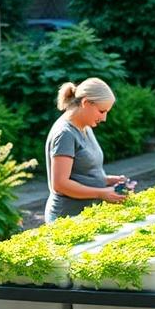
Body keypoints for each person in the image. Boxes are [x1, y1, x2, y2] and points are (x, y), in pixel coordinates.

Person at [44, 78, 128, 222]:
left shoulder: (85, 127)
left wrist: (106, 180)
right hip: (66, 219)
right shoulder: (65, 134)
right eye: (102, 111)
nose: (104, 118)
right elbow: (60, 184)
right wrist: (101, 193)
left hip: (85, 216)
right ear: (86, 103)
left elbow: (80, 173)